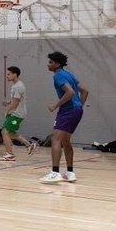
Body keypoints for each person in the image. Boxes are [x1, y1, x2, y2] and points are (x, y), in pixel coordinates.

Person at [40, 51, 90, 183]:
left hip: (67, 110)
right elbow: (85, 91)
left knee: (55, 140)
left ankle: (55, 172)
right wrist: (79, 106)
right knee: (65, 141)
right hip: (76, 110)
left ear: (57, 64)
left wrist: (55, 105)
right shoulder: (69, 74)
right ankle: (70, 172)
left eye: (50, 62)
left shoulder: (58, 76)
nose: (48, 64)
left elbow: (70, 92)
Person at [0, 66, 32, 161]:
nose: (7, 76)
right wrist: (8, 102)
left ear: (15, 74)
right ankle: (29, 145)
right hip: (16, 113)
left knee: (5, 131)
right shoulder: (15, 85)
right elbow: (15, 100)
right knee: (11, 132)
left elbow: (16, 103)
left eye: (8, 74)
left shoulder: (18, 86)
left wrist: (7, 110)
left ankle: (10, 154)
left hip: (17, 114)